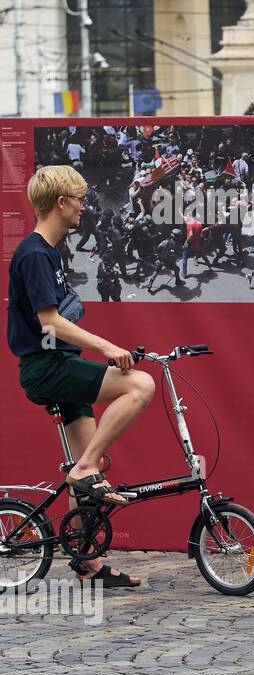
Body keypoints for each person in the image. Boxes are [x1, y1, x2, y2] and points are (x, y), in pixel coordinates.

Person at [7, 166, 153, 587]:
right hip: (47, 369)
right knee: (140, 385)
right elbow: (50, 321)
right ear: (61, 203)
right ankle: (84, 467)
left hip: (57, 365)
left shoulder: (48, 251)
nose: (85, 208)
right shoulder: (35, 254)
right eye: (80, 200)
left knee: (89, 477)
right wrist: (107, 347)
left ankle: (88, 565)